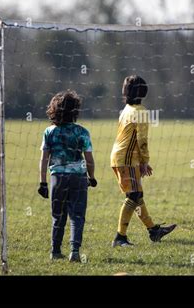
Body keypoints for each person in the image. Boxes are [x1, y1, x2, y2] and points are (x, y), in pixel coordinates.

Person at [110, 75, 176, 247]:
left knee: (137, 196)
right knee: (133, 195)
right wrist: (144, 161)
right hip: (127, 159)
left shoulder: (126, 109)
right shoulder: (141, 112)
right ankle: (120, 237)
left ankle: (154, 231)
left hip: (120, 156)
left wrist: (139, 161)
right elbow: (141, 140)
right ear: (143, 91)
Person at [38, 90, 97, 262]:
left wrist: (43, 182)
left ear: (54, 110)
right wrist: (91, 177)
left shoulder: (49, 132)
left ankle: (55, 251)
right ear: (75, 111)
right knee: (77, 216)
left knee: (58, 215)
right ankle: (75, 251)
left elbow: (44, 158)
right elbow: (89, 159)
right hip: (78, 178)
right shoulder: (82, 132)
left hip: (57, 178)